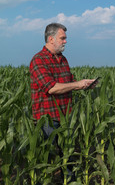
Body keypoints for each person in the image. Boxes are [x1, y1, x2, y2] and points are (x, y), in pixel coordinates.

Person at [29, 22, 97, 182]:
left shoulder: (62, 59)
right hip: (48, 120)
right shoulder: (38, 60)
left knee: (68, 157)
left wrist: (85, 84)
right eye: (62, 38)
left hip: (66, 117)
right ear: (51, 39)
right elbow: (51, 88)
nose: (65, 41)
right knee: (49, 161)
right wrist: (77, 84)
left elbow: (69, 83)